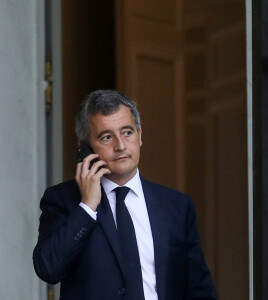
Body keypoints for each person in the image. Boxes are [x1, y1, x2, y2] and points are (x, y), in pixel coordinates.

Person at [33, 90, 218, 300]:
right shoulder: (62, 200)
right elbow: (48, 269)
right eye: (106, 137)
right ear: (84, 147)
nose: (120, 146)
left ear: (140, 135)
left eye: (127, 133)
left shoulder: (176, 206)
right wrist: (86, 207)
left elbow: (199, 288)